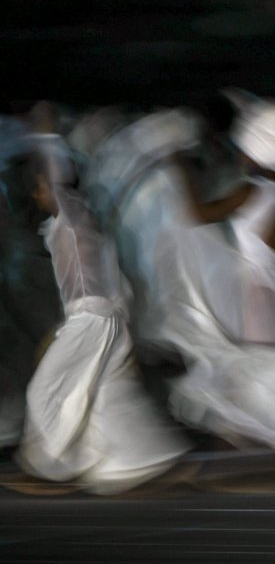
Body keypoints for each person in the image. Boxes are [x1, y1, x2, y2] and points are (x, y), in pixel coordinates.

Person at [14, 136, 189, 494]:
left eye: (39, 189)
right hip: (106, 317)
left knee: (45, 390)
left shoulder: (73, 212)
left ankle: (50, 465)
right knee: (109, 393)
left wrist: (43, 136)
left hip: (92, 319)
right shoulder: (81, 216)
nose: (37, 197)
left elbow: (56, 177)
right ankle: (138, 459)